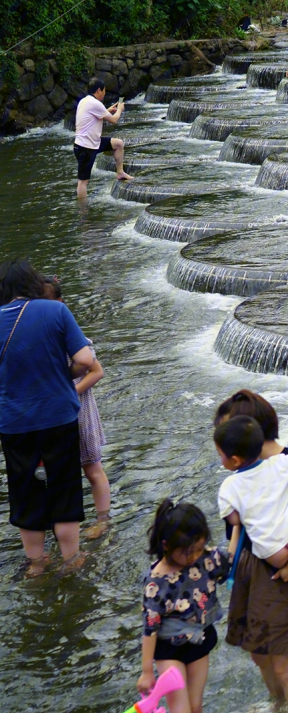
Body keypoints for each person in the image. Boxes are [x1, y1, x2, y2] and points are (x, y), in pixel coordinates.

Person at [215, 390, 288, 713]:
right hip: (251, 567)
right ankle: (278, 705)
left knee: (282, 661)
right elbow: (235, 526)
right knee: (258, 653)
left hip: (285, 569)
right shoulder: (242, 472)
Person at [0, 260, 95, 575]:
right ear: (33, 285)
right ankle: (71, 560)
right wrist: (62, 373)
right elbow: (84, 359)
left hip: (14, 423)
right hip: (58, 416)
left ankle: (36, 564)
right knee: (64, 485)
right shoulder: (55, 311)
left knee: (24, 489)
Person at [139, 500, 230, 713]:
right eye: (188, 552)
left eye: (199, 548)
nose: (194, 557)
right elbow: (150, 626)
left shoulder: (207, 559)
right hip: (168, 646)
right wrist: (147, 671)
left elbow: (233, 563)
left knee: (195, 708)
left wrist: (238, 524)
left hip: (200, 639)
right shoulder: (156, 582)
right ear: (167, 545)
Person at [41, 277, 110, 540]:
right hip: (54, 414)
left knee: (92, 467)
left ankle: (103, 519)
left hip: (79, 410)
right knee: (56, 472)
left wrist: (68, 393)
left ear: (60, 304)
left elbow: (97, 371)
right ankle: (64, 523)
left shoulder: (70, 335)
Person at [215, 415, 288, 580]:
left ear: (235, 460)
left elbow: (234, 520)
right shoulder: (281, 462)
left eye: (220, 454)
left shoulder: (229, 485)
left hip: (272, 550)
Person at [73, 77, 131, 200]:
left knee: (118, 144)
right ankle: (82, 210)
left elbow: (94, 115)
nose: (104, 94)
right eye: (104, 91)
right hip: (85, 147)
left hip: (92, 143)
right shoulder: (95, 103)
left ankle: (120, 172)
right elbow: (114, 120)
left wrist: (108, 110)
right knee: (83, 181)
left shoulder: (84, 101)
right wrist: (119, 110)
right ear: (99, 90)